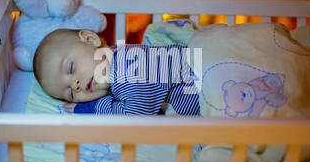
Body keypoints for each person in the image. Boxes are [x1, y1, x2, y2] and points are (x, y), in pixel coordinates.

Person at [33, 29, 200, 115]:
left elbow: (135, 116)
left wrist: (94, 107)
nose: (75, 85)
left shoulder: (127, 72)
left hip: (206, 80)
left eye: (71, 68)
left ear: (91, 40)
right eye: (69, 93)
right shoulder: (118, 57)